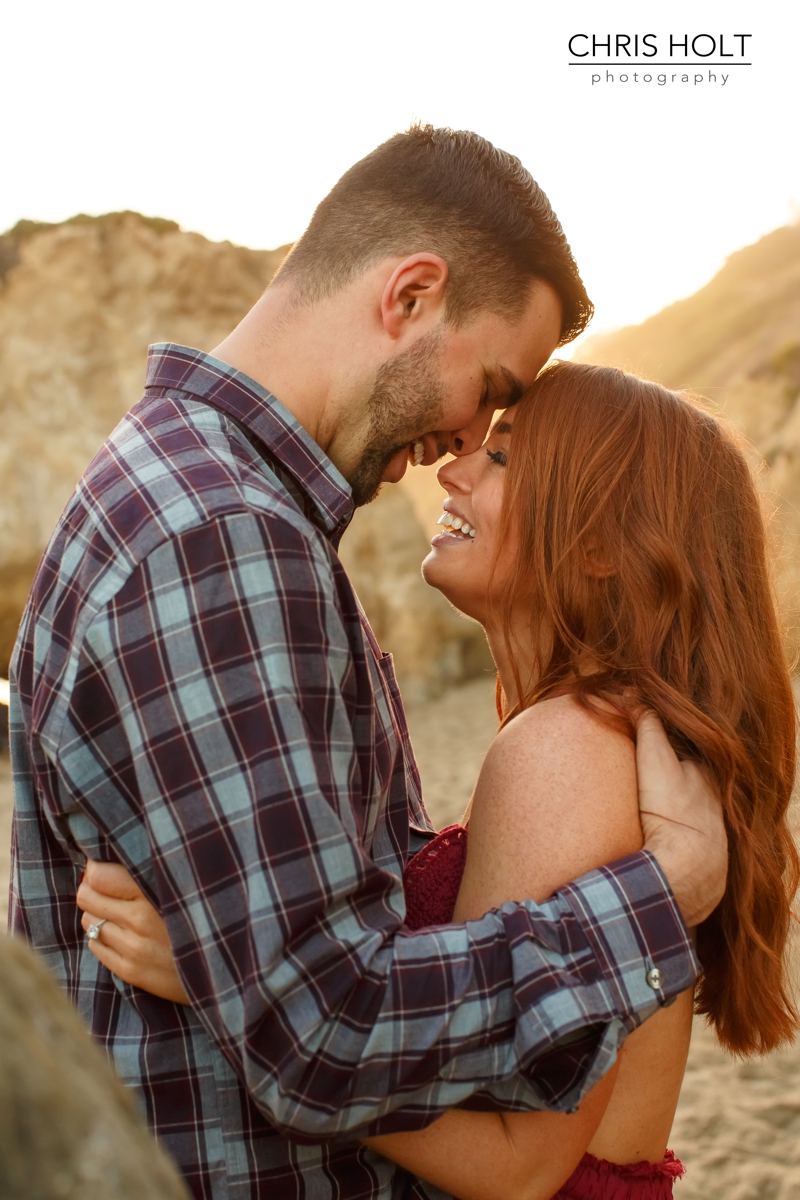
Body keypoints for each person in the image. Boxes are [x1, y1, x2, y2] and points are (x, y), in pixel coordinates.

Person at [9, 126, 724, 1200]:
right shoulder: (219, 539)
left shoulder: (212, 510)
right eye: (488, 385)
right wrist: (658, 895)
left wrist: (220, 969)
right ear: (409, 296)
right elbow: (322, 1030)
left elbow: (314, 976)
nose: (467, 439)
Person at [78, 362, 798, 1200]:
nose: (451, 468)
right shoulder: (595, 735)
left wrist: (236, 993)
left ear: (599, 544)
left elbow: (516, 1162)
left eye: (501, 459)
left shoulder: (569, 746)